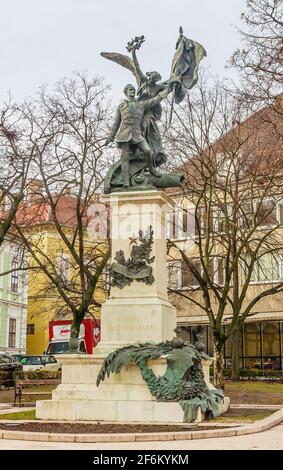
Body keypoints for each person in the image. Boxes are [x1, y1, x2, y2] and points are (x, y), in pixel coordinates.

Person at [105, 83, 170, 188]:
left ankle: (152, 169)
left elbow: (157, 99)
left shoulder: (141, 104)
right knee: (125, 158)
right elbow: (116, 123)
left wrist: (168, 90)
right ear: (126, 92)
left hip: (137, 134)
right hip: (124, 134)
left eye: (133, 90)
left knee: (147, 150)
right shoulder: (121, 106)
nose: (132, 91)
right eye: (130, 90)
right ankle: (126, 181)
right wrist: (110, 137)